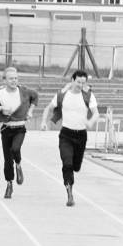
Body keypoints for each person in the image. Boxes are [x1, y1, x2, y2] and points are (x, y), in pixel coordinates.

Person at [40, 69, 99, 207]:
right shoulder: (62, 95)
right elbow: (48, 108)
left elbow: (96, 113)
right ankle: (69, 193)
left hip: (81, 135)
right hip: (66, 134)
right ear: (72, 80)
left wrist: (90, 122)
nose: (80, 85)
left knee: (76, 167)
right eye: (78, 82)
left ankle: (72, 176)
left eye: (83, 82)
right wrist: (44, 122)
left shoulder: (88, 96)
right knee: (67, 164)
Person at [0, 66, 38, 199]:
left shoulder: (24, 91)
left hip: (20, 128)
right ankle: (9, 184)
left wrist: (30, 111)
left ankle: (18, 165)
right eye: (11, 79)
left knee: (15, 149)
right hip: (6, 129)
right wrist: (1, 108)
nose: (14, 81)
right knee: (7, 160)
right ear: (4, 80)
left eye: (16, 78)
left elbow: (35, 97)